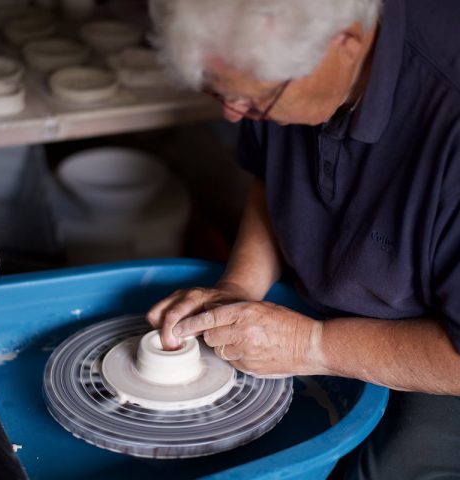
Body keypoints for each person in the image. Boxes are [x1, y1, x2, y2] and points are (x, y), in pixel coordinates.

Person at [145, 0, 460, 478]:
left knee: (383, 469)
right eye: (218, 92)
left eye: (256, 102)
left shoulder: (448, 112)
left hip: (437, 351)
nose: (234, 115)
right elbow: (274, 179)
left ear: (345, 47)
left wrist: (312, 346)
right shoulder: (276, 60)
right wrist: (239, 287)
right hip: (326, 307)